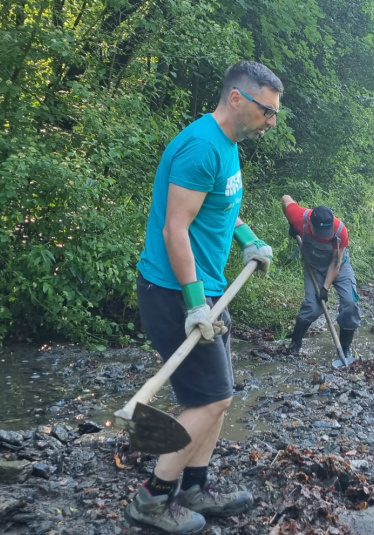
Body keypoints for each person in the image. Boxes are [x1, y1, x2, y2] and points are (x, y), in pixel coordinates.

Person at [129, 60, 282, 533]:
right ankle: (152, 499)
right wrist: (195, 304)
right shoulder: (200, 146)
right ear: (237, 98)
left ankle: (195, 486)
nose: (271, 121)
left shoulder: (227, 146)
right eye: (266, 111)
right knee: (211, 400)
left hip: (210, 291)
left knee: (219, 395)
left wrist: (249, 240)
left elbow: (221, 209)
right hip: (175, 292)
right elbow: (175, 229)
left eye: (275, 113)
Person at [282, 195, 361, 364]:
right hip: (314, 266)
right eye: (320, 232)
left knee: (350, 303)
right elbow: (285, 198)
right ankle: (295, 343)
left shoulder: (340, 230)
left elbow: (336, 262)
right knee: (312, 307)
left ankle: (345, 348)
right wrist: (291, 225)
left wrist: (325, 288)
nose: (324, 237)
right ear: (310, 223)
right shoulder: (299, 217)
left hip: (338, 264)